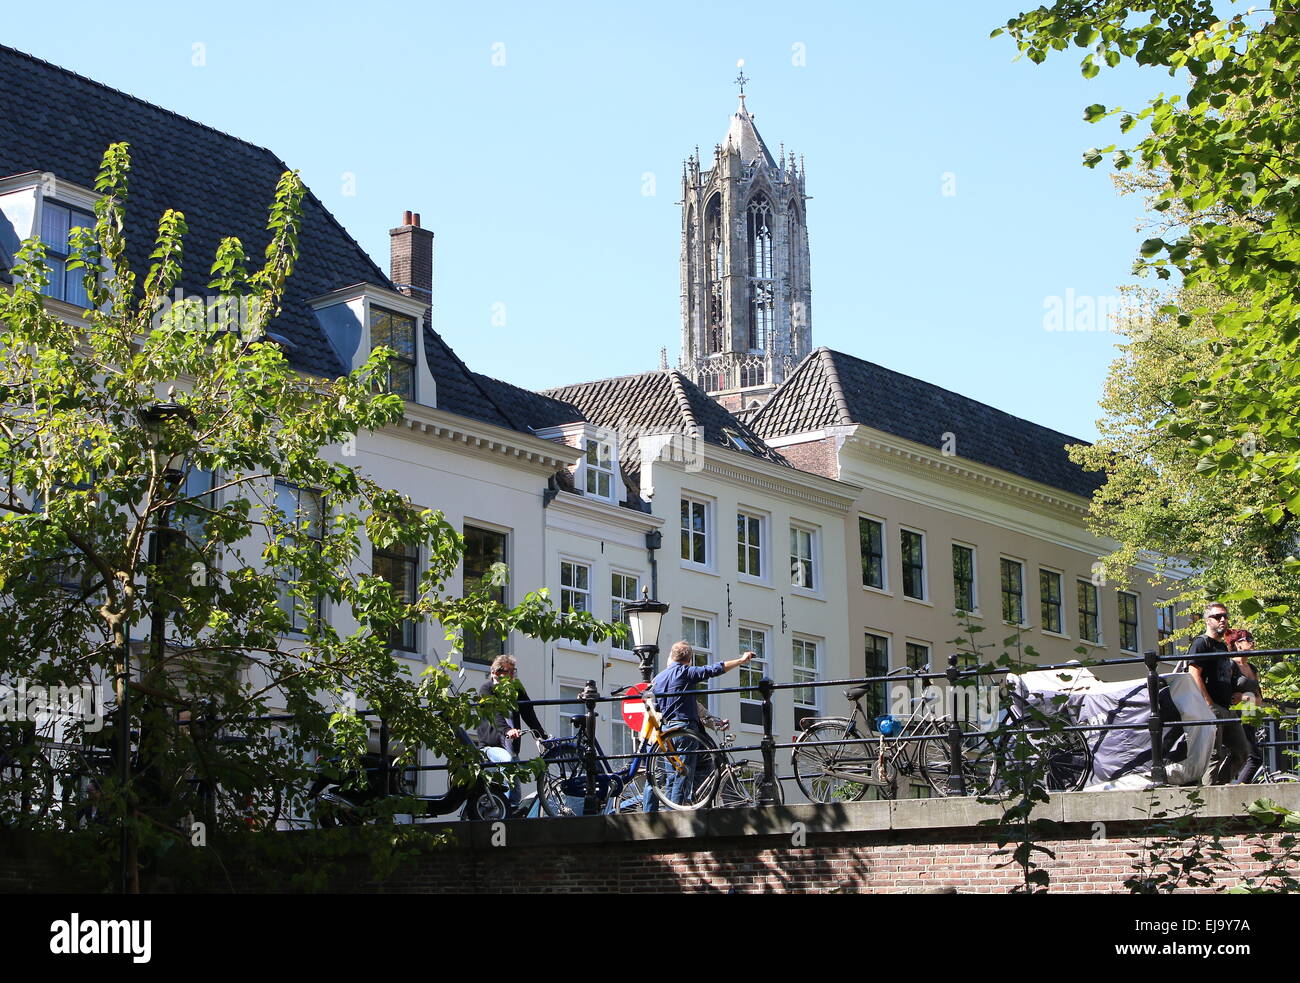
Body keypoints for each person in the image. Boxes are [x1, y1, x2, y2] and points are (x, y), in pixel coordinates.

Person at [642, 641, 754, 811]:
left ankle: (667, 811)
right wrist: (740, 660)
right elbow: (715, 669)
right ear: (689, 659)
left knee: (673, 774)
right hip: (685, 730)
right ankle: (677, 813)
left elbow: (656, 707)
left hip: (666, 732)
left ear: (671, 656)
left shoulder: (658, 678)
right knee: (684, 774)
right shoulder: (686, 673)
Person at [1186, 602, 1255, 785]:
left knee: (1242, 752)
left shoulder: (1222, 647)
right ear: (1208, 620)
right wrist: (1208, 704)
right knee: (1214, 756)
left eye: (1225, 616)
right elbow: (1193, 674)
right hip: (1211, 708)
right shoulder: (1201, 643)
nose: (1223, 619)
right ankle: (1209, 801)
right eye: (1218, 616)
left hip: (1227, 708)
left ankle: (1220, 788)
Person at [474, 654, 547, 809]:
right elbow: (494, 713)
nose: (513, 675)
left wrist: (542, 735)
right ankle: (502, 808)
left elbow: (528, 712)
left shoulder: (516, 688)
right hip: (490, 745)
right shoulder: (486, 689)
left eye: (514, 671)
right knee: (507, 762)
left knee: (515, 790)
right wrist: (507, 730)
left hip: (511, 746)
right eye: (509, 672)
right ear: (495, 673)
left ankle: (510, 810)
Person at [1225, 628, 1264, 783]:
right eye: (1247, 640)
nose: (1252, 643)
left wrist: (1245, 697)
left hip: (1250, 715)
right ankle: (1237, 791)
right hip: (1236, 716)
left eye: (1251, 640)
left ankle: (1235, 788)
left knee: (1250, 757)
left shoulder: (1252, 668)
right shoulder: (1231, 665)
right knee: (1253, 758)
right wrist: (1247, 697)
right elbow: (1228, 695)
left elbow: (1259, 698)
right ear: (1238, 644)